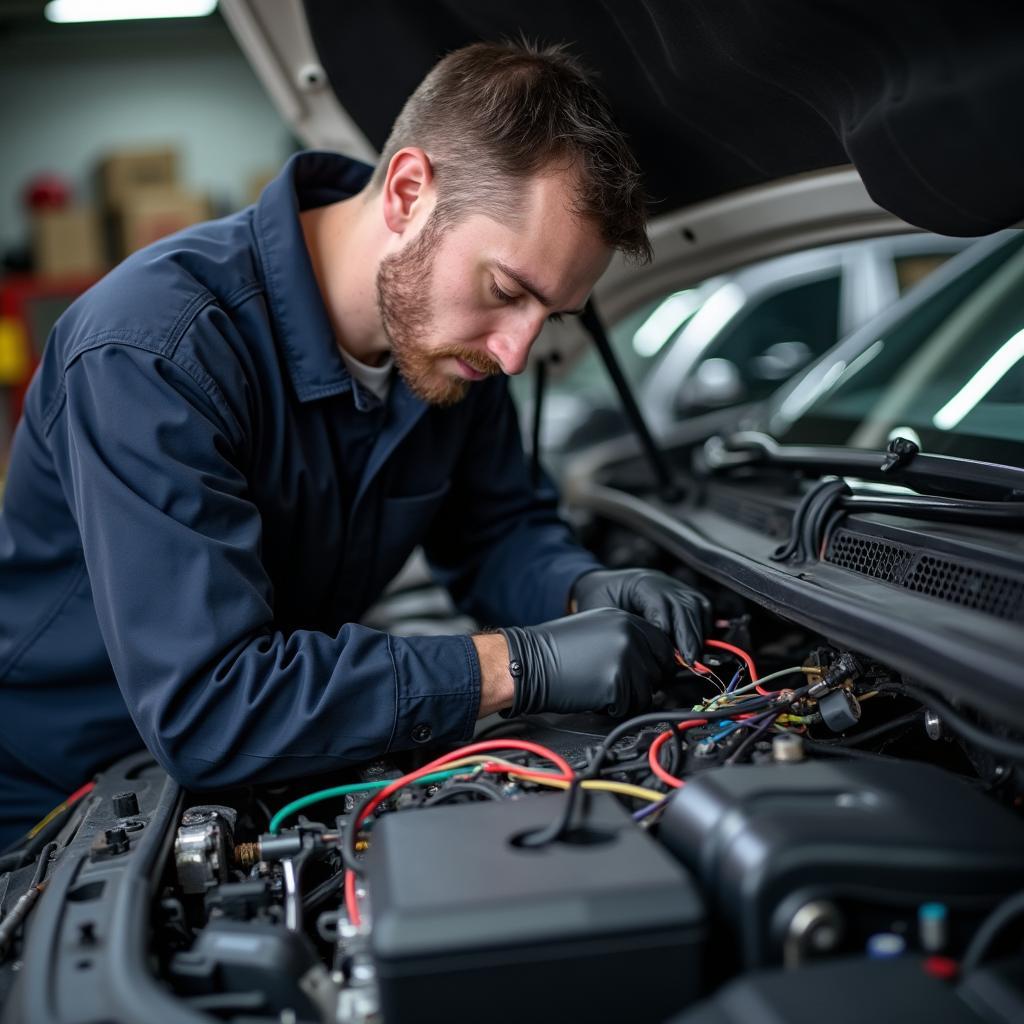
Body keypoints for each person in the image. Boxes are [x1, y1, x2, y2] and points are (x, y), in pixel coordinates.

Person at [0, 40, 707, 846]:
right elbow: (208, 708)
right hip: (59, 800)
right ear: (408, 192)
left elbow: (494, 533)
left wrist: (581, 592)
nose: (515, 351)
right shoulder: (154, 352)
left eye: (548, 317)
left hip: (264, 769)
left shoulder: (447, 351)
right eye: (507, 291)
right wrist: (515, 664)